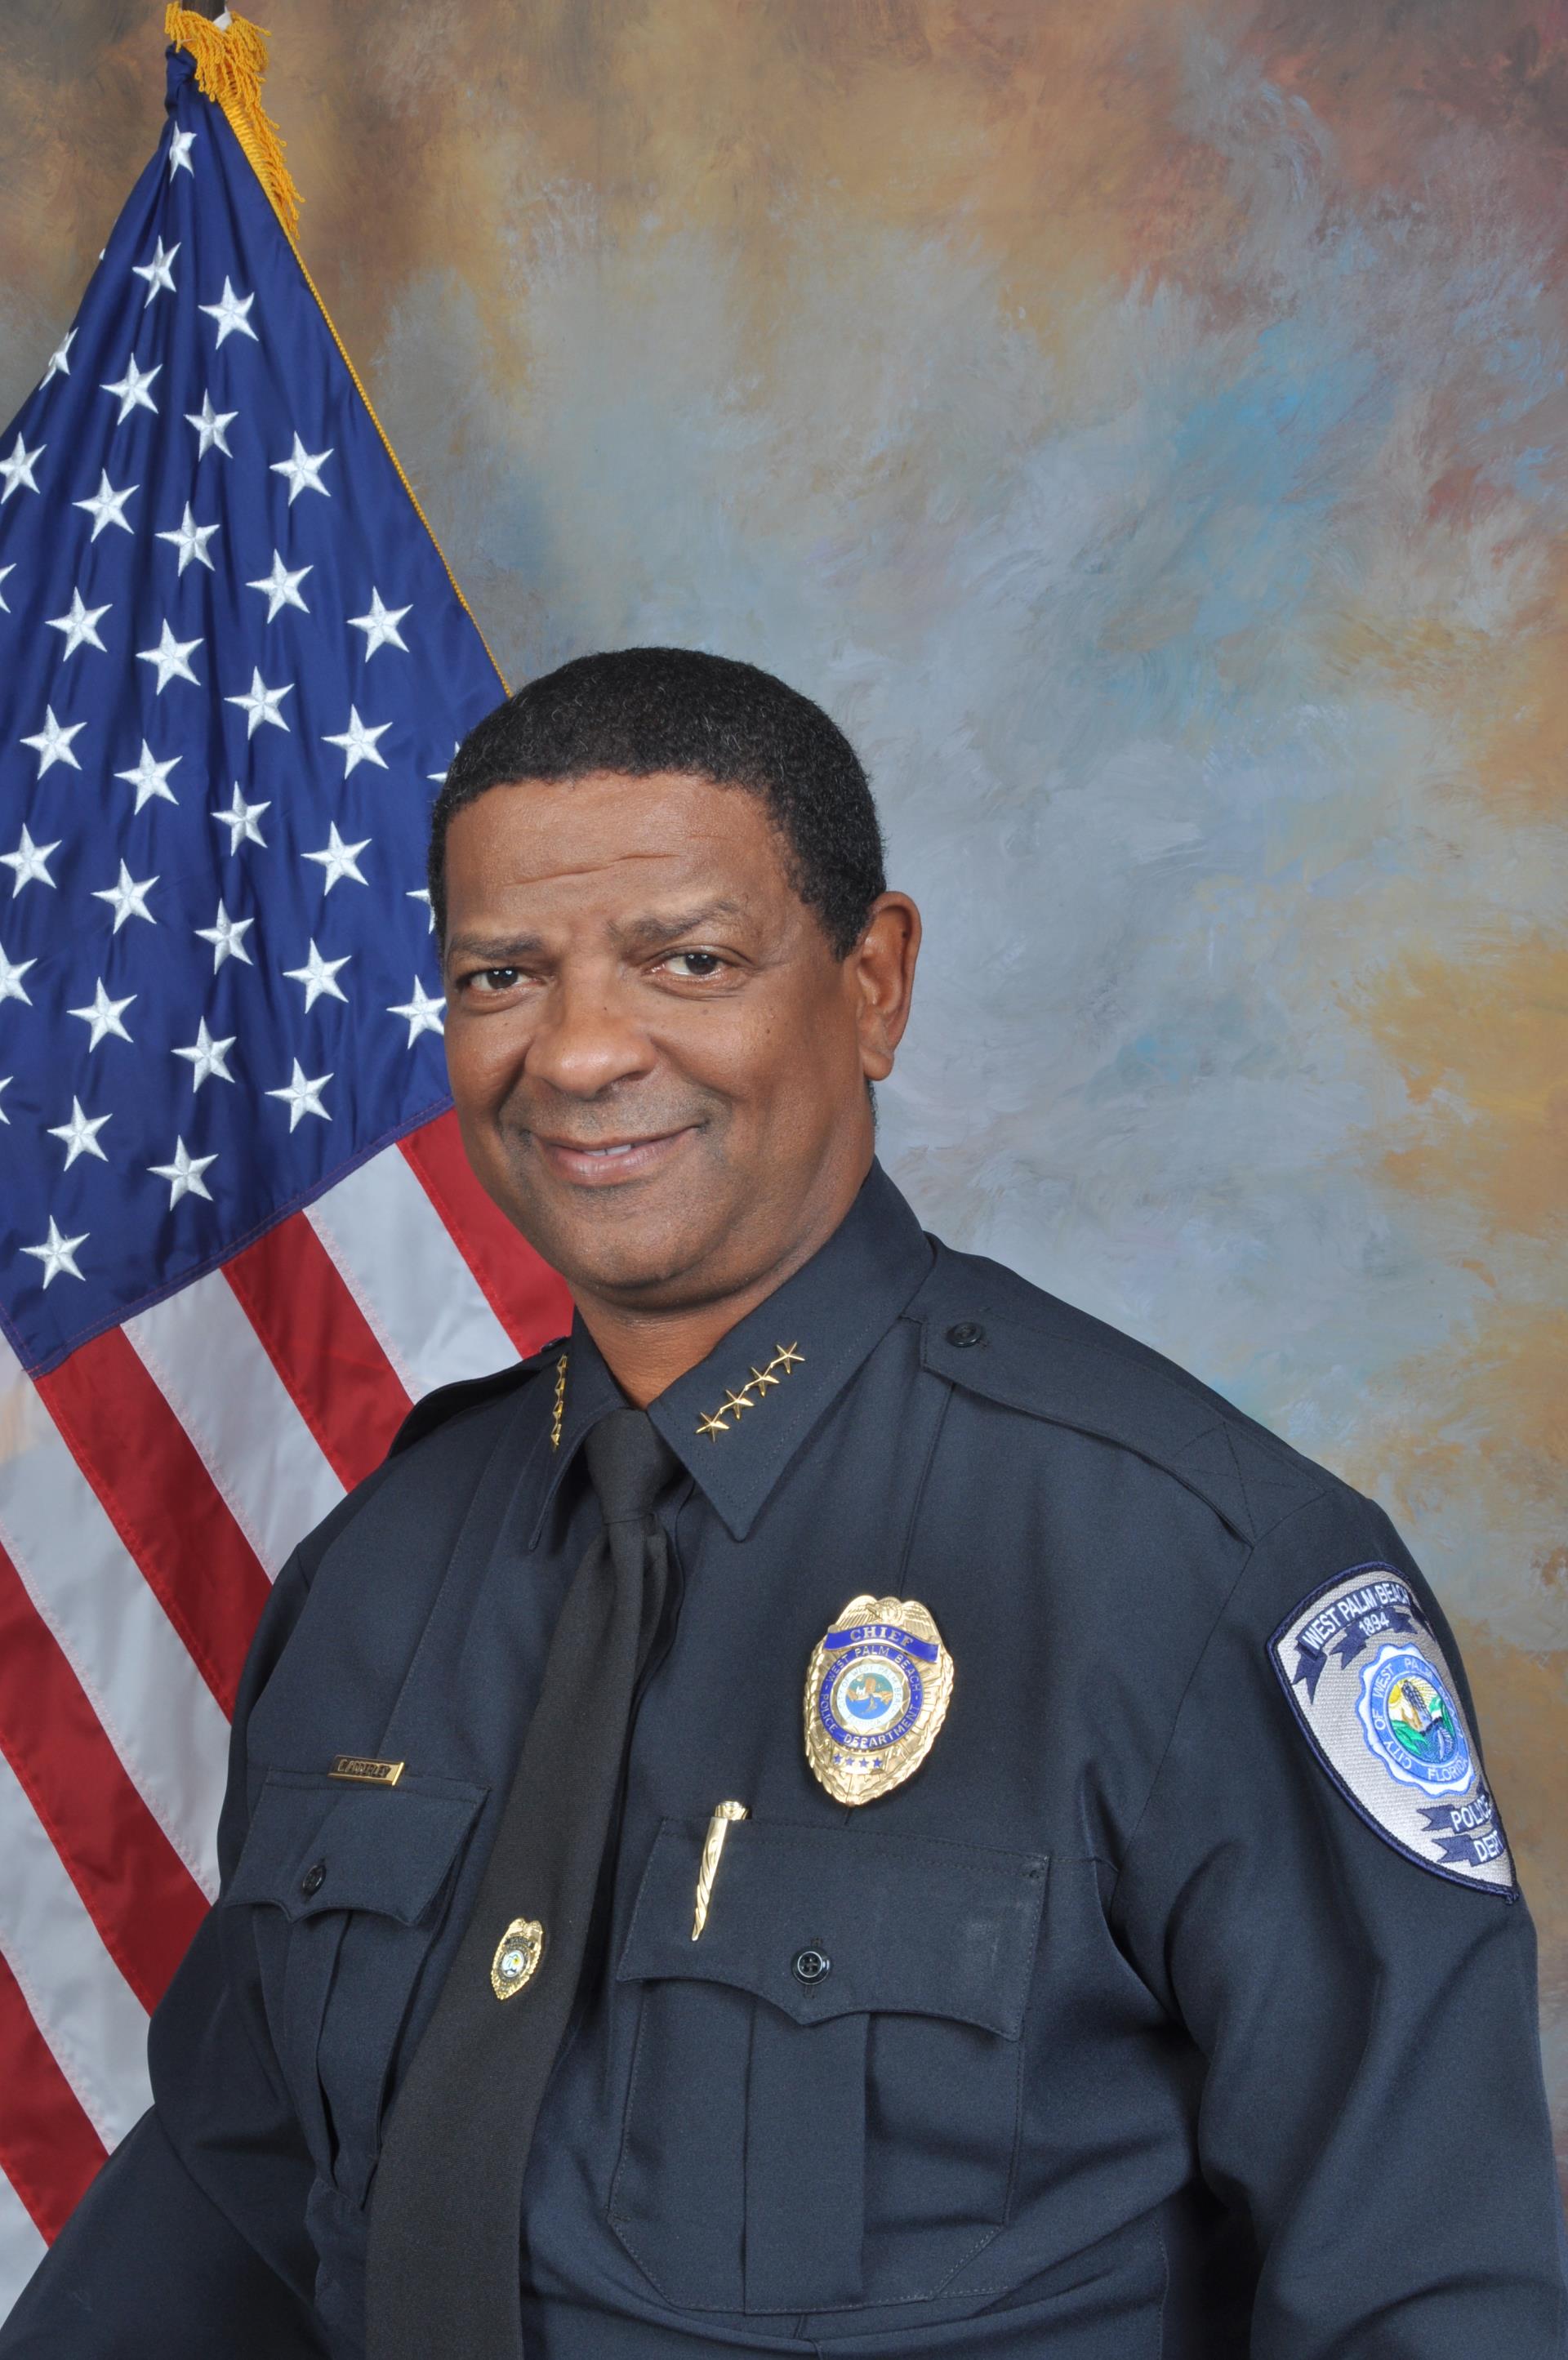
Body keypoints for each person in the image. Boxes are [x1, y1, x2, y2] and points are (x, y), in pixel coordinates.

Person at [4, 647, 1564, 2360]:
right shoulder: (377, 1573)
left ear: (873, 979)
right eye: (500, 974)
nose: (584, 1051)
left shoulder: (1196, 1570)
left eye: (691, 959)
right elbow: (231, 2216)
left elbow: (1431, 2299)